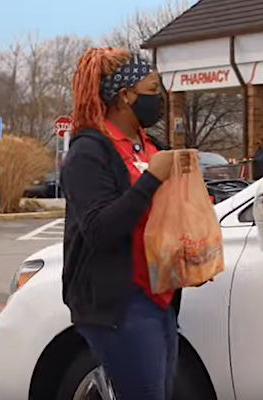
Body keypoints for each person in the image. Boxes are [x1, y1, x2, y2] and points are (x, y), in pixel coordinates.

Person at [61, 47, 190, 400]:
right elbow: (100, 230)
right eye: (152, 91)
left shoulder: (150, 146)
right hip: (119, 304)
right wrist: (152, 179)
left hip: (159, 297)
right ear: (124, 96)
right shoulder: (89, 153)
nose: (159, 99)